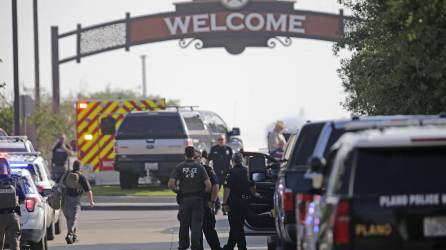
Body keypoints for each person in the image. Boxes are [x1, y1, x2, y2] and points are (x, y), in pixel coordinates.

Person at [168, 146, 211, 250]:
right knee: (196, 225)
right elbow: (208, 185)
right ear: (194, 155)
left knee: (184, 225)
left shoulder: (179, 167)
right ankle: (195, 246)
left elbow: (171, 184)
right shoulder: (200, 167)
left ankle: (183, 246)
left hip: (184, 200)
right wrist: (202, 193)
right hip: (197, 200)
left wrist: (178, 191)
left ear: (185, 155)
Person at [222, 152, 254, 250]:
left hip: (234, 203)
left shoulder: (230, 172)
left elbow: (227, 189)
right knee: (237, 226)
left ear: (233, 161)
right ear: (242, 160)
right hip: (246, 202)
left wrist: (225, 203)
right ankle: (229, 246)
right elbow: (253, 187)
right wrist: (254, 197)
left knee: (236, 227)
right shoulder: (247, 171)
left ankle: (242, 247)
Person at [61, 160, 95, 244]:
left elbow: (61, 184)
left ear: (73, 166)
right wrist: (91, 202)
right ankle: (70, 234)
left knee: (69, 218)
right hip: (75, 200)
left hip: (65, 199)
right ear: (80, 168)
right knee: (74, 217)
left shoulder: (67, 174)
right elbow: (88, 191)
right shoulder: (81, 177)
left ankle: (73, 236)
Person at [196, 150, 221, 250]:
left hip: (206, 204)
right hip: (195, 205)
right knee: (197, 233)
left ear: (200, 158)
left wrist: (212, 201)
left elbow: (215, 186)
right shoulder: (190, 170)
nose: (194, 159)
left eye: (196, 157)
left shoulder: (206, 169)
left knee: (209, 230)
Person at [0, 158, 25, 250]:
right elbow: (23, 198)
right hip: (12, 216)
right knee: (15, 242)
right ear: (8, 169)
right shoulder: (13, 181)